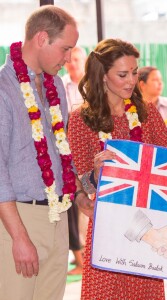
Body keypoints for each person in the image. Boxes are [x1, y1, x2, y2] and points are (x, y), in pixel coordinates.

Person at [67, 38, 167, 299]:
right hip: (107, 227)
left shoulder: (145, 113)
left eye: (134, 72)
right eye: (122, 74)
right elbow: (82, 186)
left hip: (148, 229)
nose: (131, 80)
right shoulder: (81, 120)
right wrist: (94, 174)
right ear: (103, 76)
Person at [0, 5, 90, 300]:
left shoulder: (57, 87)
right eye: (65, 49)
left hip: (59, 215)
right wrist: (19, 236)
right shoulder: (4, 88)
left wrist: (77, 193)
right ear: (41, 38)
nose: (69, 59)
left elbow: (61, 151)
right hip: (18, 219)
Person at [62, 46, 87, 275]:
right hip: (67, 153)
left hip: (89, 154)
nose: (73, 63)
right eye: (69, 60)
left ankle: (85, 258)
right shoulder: (60, 85)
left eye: (78, 59)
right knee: (72, 205)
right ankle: (79, 257)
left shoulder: (92, 87)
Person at [138, 66, 167, 138]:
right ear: (142, 85)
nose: (160, 83)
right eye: (155, 80)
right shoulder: (132, 108)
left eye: (161, 80)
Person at [62, 46, 87, 112]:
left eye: (76, 60)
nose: (72, 64)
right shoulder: (60, 84)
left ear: (85, 61)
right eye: (69, 61)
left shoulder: (94, 82)